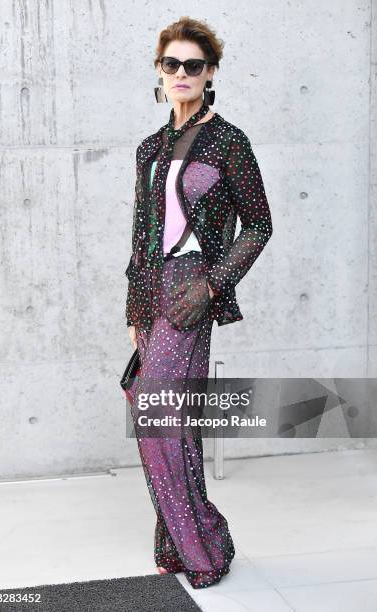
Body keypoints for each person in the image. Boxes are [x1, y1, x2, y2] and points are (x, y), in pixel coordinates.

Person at [124, 16, 273, 589]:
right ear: (159, 72)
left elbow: (258, 225)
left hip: (193, 283)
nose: (181, 74)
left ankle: (204, 546)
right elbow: (140, 234)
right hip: (152, 286)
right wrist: (133, 310)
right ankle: (179, 539)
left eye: (193, 65)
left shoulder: (229, 141)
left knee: (160, 418)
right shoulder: (149, 149)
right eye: (171, 64)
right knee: (162, 415)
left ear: (209, 73)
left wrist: (213, 286)